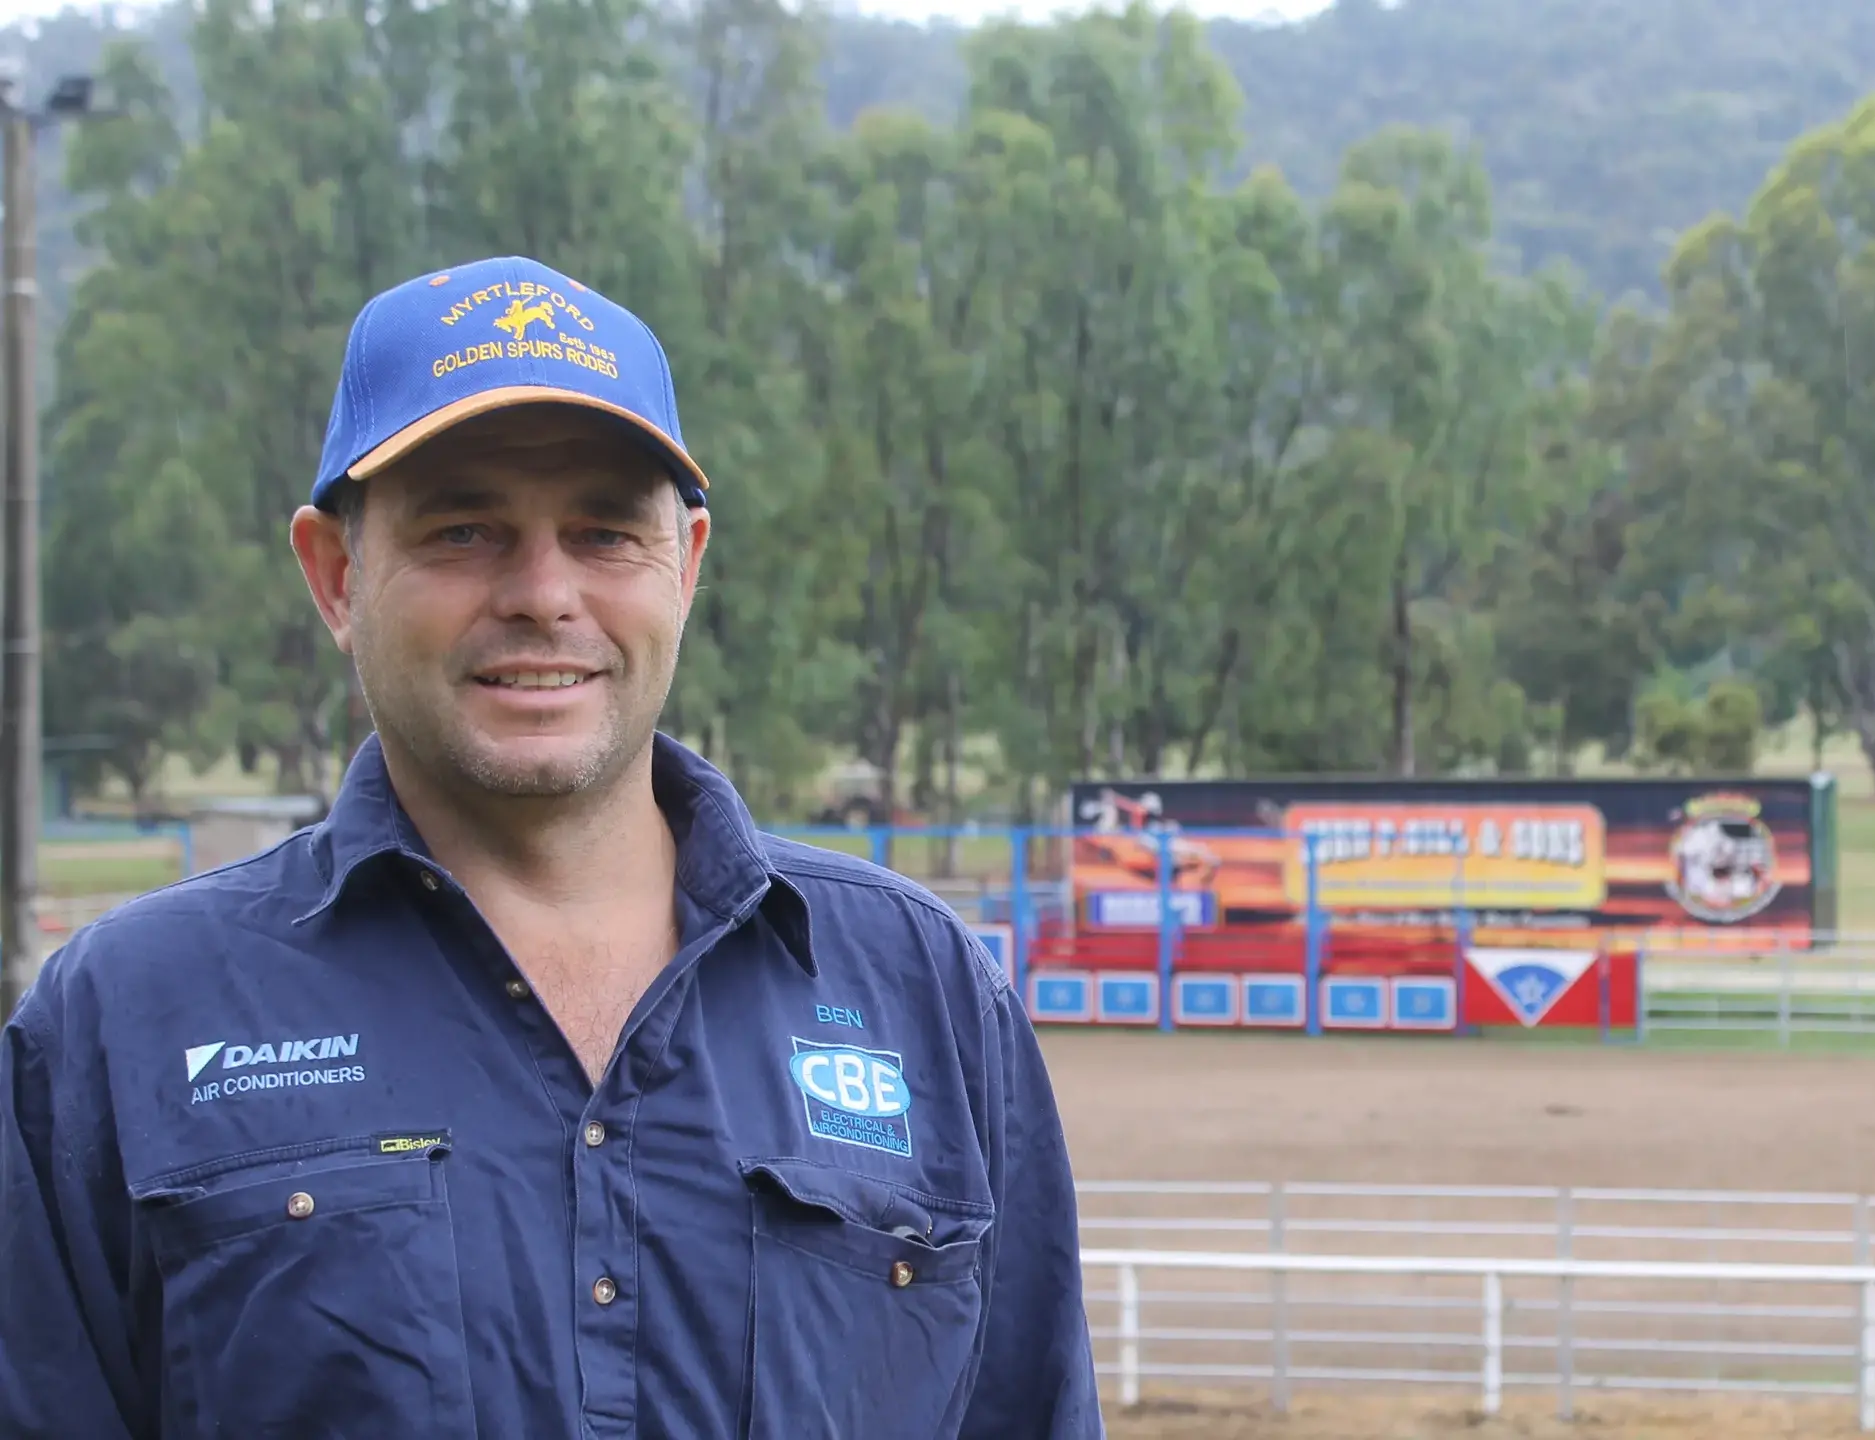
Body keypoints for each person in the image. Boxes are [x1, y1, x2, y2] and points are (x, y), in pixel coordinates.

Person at [0, 256, 1102, 1438]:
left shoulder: (923, 990)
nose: (542, 593)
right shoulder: (123, 1019)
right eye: (464, 529)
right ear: (336, 576)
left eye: (604, 533)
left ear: (685, 565)